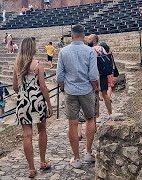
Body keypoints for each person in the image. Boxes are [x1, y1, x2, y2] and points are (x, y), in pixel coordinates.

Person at [56, 25, 98, 169]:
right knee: (90, 118)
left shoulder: (63, 51)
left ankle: (76, 158)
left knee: (72, 124)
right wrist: (95, 87)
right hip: (86, 90)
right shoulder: (90, 51)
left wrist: (63, 88)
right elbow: (93, 75)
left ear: (72, 36)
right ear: (84, 35)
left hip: (70, 91)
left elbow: (59, 76)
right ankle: (88, 152)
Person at [13, 37, 53, 178]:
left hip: (23, 102)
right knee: (42, 131)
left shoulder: (17, 64)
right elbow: (43, 87)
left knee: (27, 135)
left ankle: (31, 169)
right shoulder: (38, 64)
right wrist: (49, 104)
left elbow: (15, 87)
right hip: (37, 102)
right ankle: (42, 161)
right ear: (32, 48)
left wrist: (24, 94)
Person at [88, 34, 112, 118]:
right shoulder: (102, 48)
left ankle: (97, 116)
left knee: (96, 96)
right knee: (105, 94)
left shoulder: (90, 50)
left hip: (95, 75)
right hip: (103, 74)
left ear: (94, 40)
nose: (88, 40)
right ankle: (110, 113)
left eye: (89, 39)